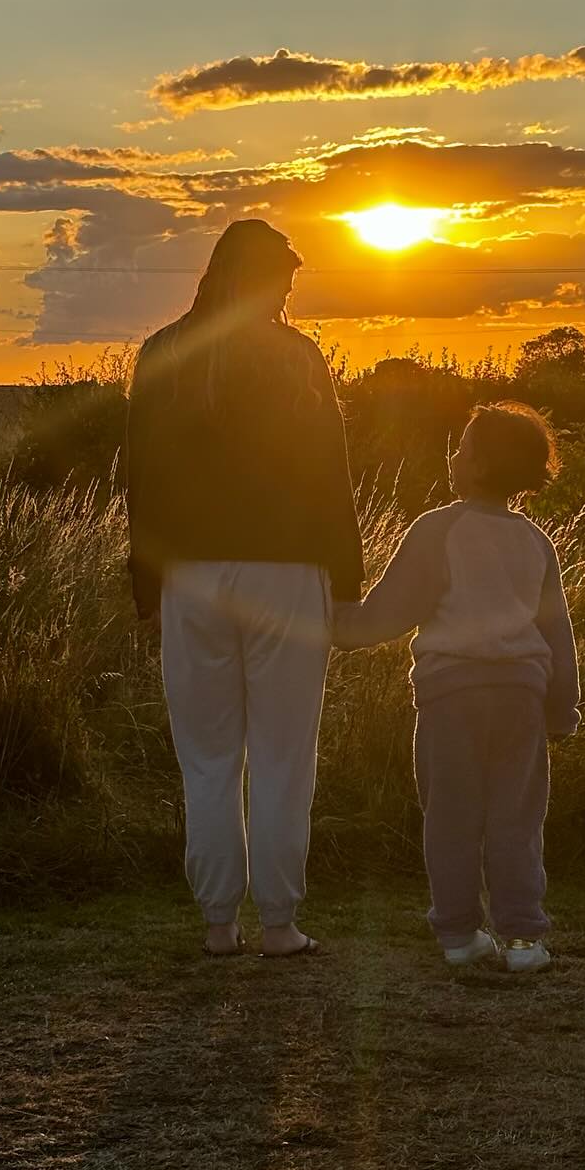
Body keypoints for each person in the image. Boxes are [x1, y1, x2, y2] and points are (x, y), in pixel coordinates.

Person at [125, 219, 363, 958]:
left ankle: (218, 923)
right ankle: (281, 922)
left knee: (208, 755)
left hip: (191, 578)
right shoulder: (298, 359)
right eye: (284, 282)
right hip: (288, 575)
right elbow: (331, 477)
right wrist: (346, 578)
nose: (288, 296)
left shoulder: (162, 354)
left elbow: (142, 481)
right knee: (285, 754)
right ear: (262, 278)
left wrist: (148, 584)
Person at [332, 402, 579, 973]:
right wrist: (562, 711)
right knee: (517, 817)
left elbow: (390, 612)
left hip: (450, 697)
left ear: (481, 465)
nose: (452, 456)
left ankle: (460, 935)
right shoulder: (537, 542)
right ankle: (522, 939)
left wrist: (334, 623)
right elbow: (556, 633)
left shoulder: (437, 529)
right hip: (521, 696)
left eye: (463, 448)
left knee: (451, 815)